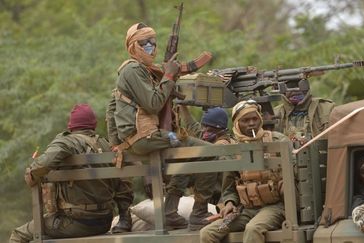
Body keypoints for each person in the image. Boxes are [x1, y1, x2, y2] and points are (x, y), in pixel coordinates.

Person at [112, 23, 211, 229]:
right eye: (144, 43)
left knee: (189, 152)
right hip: (145, 138)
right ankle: (198, 213)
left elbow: (111, 106)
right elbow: (153, 103)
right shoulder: (132, 70)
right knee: (209, 152)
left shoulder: (143, 71)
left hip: (147, 137)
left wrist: (116, 142)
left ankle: (170, 211)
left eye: (153, 42)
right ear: (132, 46)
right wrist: (167, 76)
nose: (151, 47)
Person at [10, 104, 134, 243]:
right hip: (104, 221)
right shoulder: (106, 145)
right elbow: (124, 182)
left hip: (75, 222)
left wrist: (31, 175)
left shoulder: (67, 142)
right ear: (93, 125)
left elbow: (42, 164)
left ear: (71, 126)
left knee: (19, 235)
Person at [200, 100, 287, 243]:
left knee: (253, 229)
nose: (251, 123)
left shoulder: (277, 140)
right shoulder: (234, 149)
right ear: (236, 123)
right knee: (207, 233)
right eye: (245, 120)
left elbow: (294, 172)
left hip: (274, 207)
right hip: (246, 210)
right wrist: (229, 203)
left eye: (254, 119)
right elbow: (229, 186)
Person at [163, 106, 234, 230]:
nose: (205, 132)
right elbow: (192, 125)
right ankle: (170, 212)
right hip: (201, 192)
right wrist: (183, 106)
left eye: (209, 129)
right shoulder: (206, 137)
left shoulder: (225, 148)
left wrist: (224, 205)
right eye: (204, 127)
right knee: (185, 163)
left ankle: (197, 212)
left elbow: (228, 183)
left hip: (218, 197)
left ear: (221, 130)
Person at [273, 79, 334, 144]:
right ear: (283, 91)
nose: (295, 90)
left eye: (300, 85)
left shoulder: (327, 108)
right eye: (290, 86)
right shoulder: (275, 114)